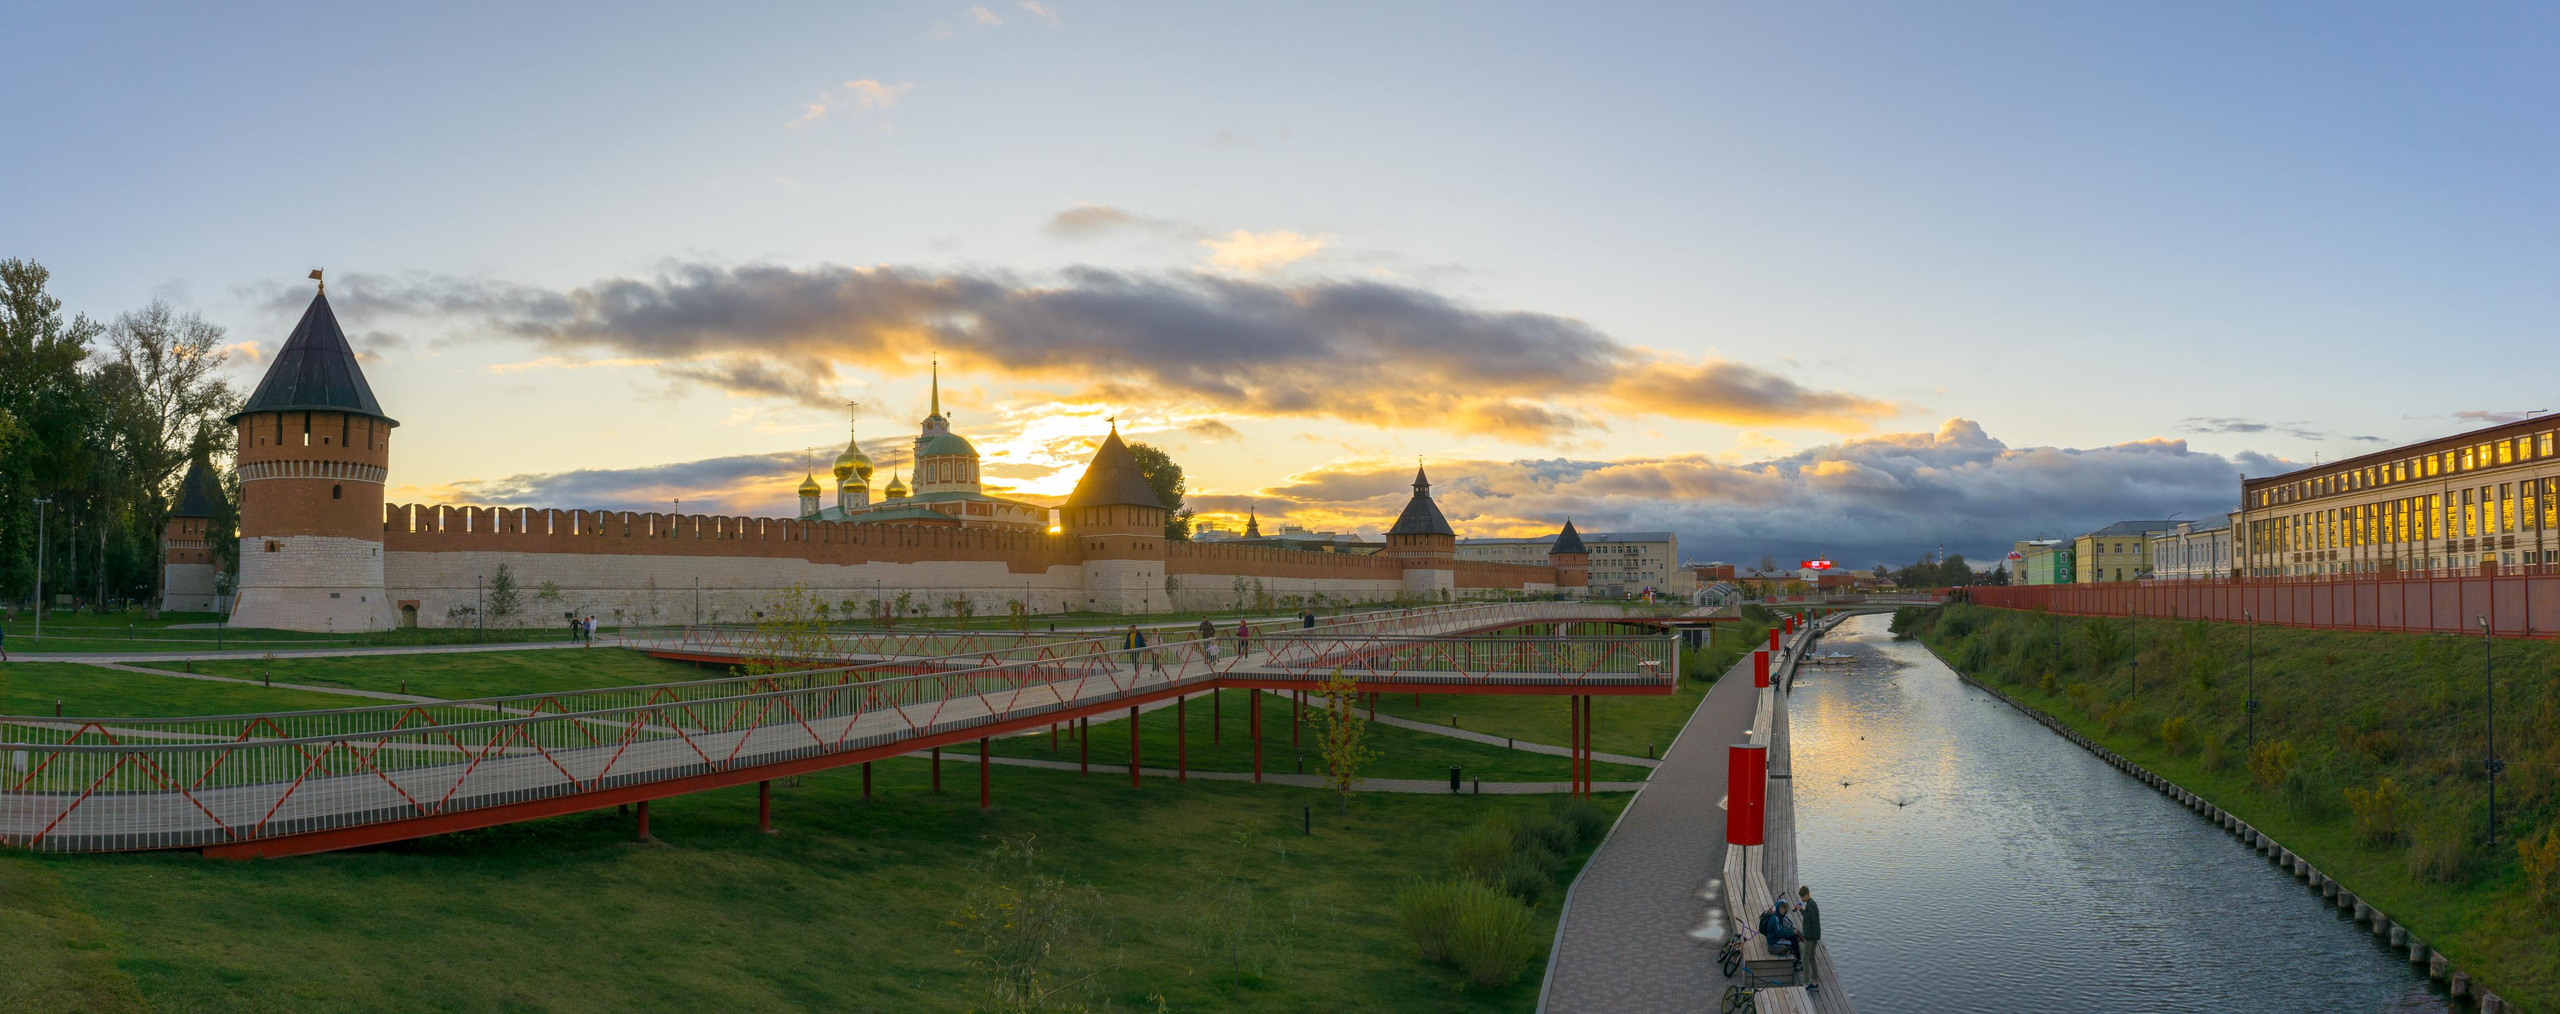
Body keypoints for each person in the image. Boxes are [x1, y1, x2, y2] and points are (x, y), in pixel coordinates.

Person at [1796, 885, 1823, 992]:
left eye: (1803, 897)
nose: (1802, 899)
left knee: (1805, 958)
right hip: (1815, 935)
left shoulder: (1810, 904)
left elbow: (1811, 918)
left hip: (1810, 936)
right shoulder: (1811, 903)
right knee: (1811, 957)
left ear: (1807, 894)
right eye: (1801, 897)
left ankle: (1805, 984)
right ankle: (1815, 982)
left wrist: (1801, 910)